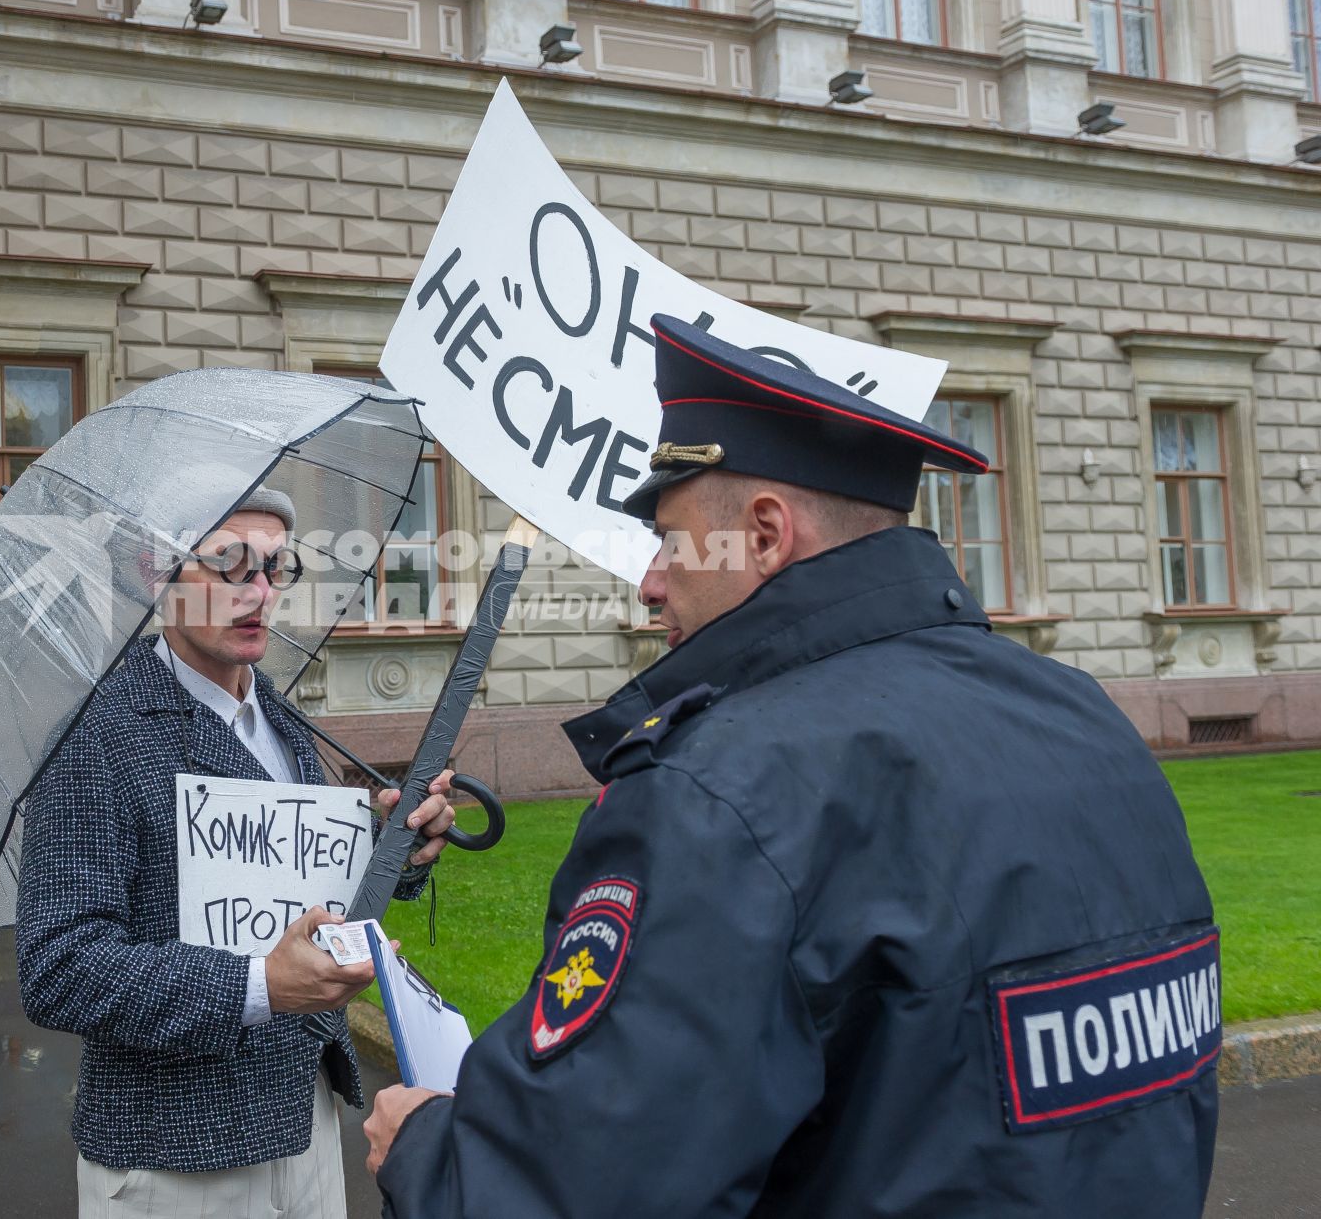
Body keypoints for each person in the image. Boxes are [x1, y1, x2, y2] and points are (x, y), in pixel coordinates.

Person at [365, 314, 1219, 1217]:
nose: (650, 582)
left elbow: (567, 1191)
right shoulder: (1083, 714)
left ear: (765, 534)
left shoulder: (720, 792)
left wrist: (425, 1151)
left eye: (670, 537)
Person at [18, 486, 458, 1219]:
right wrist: (259, 986)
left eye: (274, 569)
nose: (257, 592)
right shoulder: (95, 734)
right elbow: (59, 965)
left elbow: (307, 887)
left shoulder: (280, 715)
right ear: (156, 571)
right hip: (174, 1163)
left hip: (305, 1124)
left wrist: (396, 853)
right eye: (230, 565)